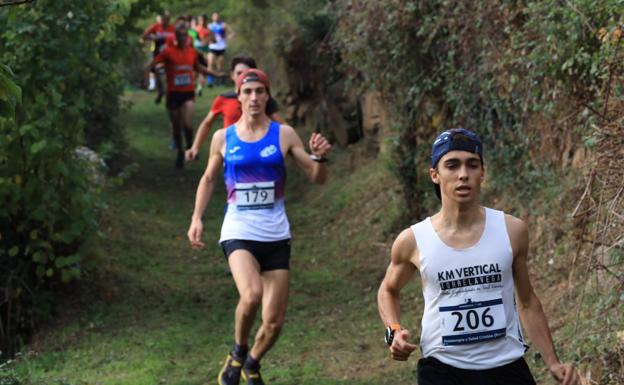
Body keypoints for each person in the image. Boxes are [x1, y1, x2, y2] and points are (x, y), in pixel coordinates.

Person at [377, 128, 581, 385]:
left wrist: (553, 362)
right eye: (452, 165)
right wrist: (393, 331)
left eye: (472, 165)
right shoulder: (413, 240)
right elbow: (388, 290)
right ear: (435, 175)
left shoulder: (512, 230)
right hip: (442, 369)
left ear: (482, 173)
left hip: (506, 367)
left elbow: (527, 302)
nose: (463, 174)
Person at [187, 68, 332, 385]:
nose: (253, 97)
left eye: (259, 92)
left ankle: (252, 363)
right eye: (247, 92)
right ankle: (238, 352)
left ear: (267, 96)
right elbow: (210, 178)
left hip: (276, 235)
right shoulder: (223, 138)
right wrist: (197, 217)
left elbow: (317, 178)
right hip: (238, 231)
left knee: (274, 322)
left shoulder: (284, 134)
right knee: (251, 295)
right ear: (238, 96)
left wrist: (320, 159)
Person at [147, 20, 222, 168]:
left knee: (187, 124)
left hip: (187, 92)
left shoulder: (192, 51)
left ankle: (190, 146)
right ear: (175, 36)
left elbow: (198, 67)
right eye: (179, 35)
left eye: (184, 35)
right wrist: (159, 77)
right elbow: (152, 65)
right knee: (176, 127)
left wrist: (215, 74)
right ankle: (180, 152)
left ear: (187, 36)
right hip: (173, 93)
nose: (182, 38)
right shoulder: (168, 52)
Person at [185, 56, 284, 162]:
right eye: (239, 73)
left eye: (246, 73)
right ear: (232, 75)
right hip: (232, 154)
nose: (242, 77)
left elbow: (282, 126)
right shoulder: (224, 99)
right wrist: (195, 147)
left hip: (261, 152)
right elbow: (207, 123)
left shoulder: (262, 99)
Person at [142, 11, 174, 104]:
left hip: (170, 54)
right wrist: (153, 38)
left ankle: (168, 94)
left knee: (169, 73)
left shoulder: (172, 28)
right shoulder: (156, 27)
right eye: (164, 19)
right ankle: (161, 91)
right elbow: (144, 35)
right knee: (158, 72)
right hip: (158, 53)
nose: (166, 21)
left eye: (168, 19)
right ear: (161, 19)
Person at [207, 12, 232, 87]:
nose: (216, 18)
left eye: (217, 16)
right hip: (212, 47)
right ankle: (210, 82)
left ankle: (221, 82)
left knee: (220, 66)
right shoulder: (209, 26)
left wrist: (229, 37)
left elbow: (230, 32)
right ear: (212, 17)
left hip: (221, 47)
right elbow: (204, 34)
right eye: (214, 16)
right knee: (210, 63)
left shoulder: (223, 25)